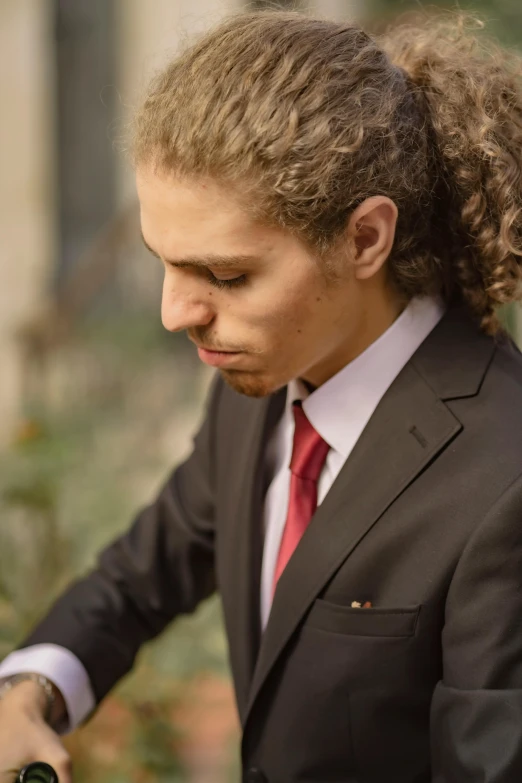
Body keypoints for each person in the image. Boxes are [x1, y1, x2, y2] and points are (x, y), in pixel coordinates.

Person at [2, 7, 522, 782]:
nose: (174, 313)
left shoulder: (504, 478)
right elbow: (142, 573)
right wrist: (28, 692)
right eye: (163, 261)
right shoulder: (258, 375)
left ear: (365, 239)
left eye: (226, 275)